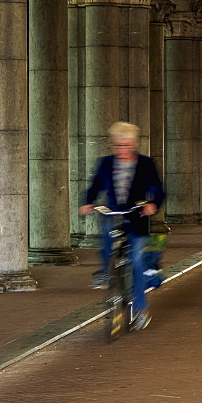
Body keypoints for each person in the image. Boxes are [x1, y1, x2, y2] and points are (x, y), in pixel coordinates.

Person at [79, 121, 165, 330]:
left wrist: (153, 204)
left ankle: (140, 308)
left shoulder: (145, 164)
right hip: (114, 214)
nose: (121, 150)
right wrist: (87, 202)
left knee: (136, 260)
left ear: (134, 144)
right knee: (107, 235)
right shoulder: (106, 163)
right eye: (118, 146)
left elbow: (159, 190)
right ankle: (106, 272)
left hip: (137, 216)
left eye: (125, 145)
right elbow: (95, 185)